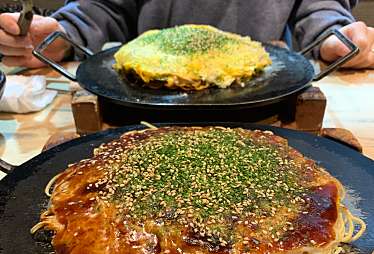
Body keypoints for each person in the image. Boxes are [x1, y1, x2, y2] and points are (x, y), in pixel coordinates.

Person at [0, 0, 373, 69]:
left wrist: (335, 37)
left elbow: (319, 6)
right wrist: (62, 35)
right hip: (143, 96)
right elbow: (103, 7)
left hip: (262, 90)